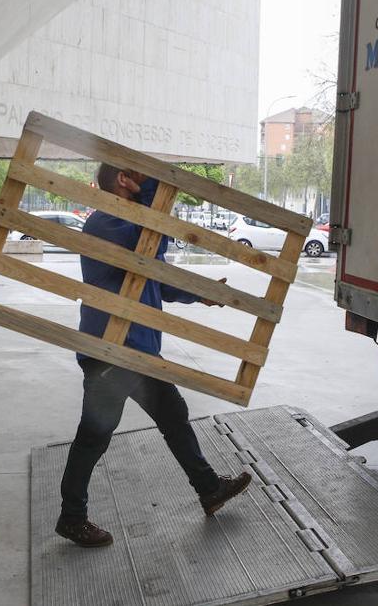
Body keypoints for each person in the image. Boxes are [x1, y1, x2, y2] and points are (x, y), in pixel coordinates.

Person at [55, 163, 252, 548]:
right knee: (94, 437)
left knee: (174, 416)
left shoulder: (129, 226)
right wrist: (148, 194)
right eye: (137, 176)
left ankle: (209, 488)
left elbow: (156, 274)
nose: (148, 186)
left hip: (139, 351)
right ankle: (71, 517)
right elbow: (152, 242)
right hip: (111, 351)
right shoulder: (105, 223)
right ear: (122, 180)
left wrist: (202, 293)